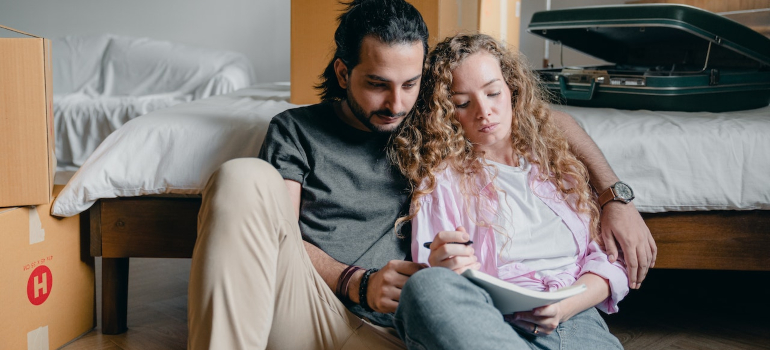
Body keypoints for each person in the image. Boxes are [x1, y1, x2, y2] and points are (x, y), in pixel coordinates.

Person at [187, 0, 654, 349]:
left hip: (406, 331)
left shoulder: (432, 122)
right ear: (343, 71)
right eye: (376, 84)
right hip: (320, 309)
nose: (395, 104)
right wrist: (356, 281)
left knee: (434, 293)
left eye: (410, 84)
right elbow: (279, 238)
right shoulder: (297, 130)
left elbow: (540, 118)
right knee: (242, 176)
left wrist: (616, 196)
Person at [390, 33, 628, 349]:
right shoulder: (443, 179)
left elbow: (607, 260)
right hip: (490, 319)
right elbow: (437, 276)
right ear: (445, 112)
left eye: (493, 93)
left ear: (512, 90)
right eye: (463, 103)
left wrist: (560, 308)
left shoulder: (557, 161)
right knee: (426, 289)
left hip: (574, 316)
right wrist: (446, 263)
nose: (483, 111)